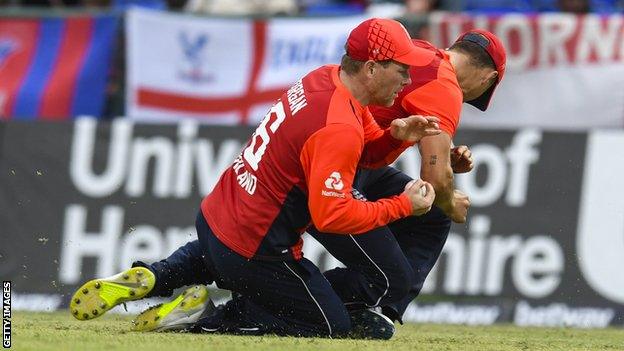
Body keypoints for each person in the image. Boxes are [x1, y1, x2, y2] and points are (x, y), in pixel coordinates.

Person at [68, 18, 442, 339]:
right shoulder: (337, 126)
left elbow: (362, 150)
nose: (408, 79)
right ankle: (205, 317)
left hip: (217, 220)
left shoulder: (324, 79)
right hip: (254, 249)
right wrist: (402, 205)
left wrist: (395, 138)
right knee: (329, 323)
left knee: (224, 254)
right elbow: (332, 216)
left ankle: (152, 276)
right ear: (372, 68)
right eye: (402, 69)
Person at [308, 29, 507, 327]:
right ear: (488, 79)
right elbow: (436, 180)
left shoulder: (422, 51)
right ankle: (301, 301)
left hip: (341, 156)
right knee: (398, 268)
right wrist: (451, 201)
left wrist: (445, 153)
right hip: (334, 169)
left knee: (428, 218)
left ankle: (377, 309)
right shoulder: (446, 87)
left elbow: (397, 117)